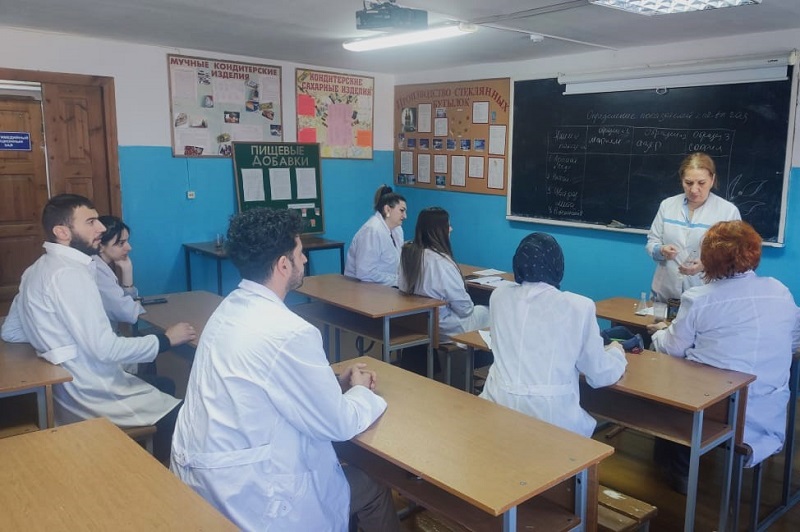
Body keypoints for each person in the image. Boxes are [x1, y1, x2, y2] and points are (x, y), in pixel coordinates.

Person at [170, 207, 399, 532]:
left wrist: (333, 381)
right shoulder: (290, 331)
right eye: (300, 252)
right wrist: (361, 390)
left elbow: (268, 382)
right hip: (254, 498)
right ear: (283, 265)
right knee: (373, 484)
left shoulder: (228, 309)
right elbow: (340, 423)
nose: (304, 259)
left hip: (209, 481)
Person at [0, 194, 196, 463]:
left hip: (68, 388)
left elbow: (11, 332)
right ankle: (159, 477)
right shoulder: (70, 275)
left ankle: (148, 462)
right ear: (62, 232)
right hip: (94, 393)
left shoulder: (37, 268)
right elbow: (105, 349)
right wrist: (165, 340)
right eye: (91, 222)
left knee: (162, 387)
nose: (101, 228)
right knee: (189, 419)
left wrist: (50, 342)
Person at [647, 220, 800, 493]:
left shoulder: (699, 298)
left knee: (667, 377)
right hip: (767, 407)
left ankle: (677, 469)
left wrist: (659, 333)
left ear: (708, 259)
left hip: (718, 410)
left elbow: (672, 348)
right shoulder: (779, 290)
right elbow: (794, 340)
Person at [480, 233, 627, 437]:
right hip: (549, 417)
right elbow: (598, 373)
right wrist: (617, 354)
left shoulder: (499, 295)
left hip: (497, 404)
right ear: (557, 265)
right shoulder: (578, 306)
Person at [646, 152, 741, 302]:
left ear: (712, 180)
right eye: (688, 183)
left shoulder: (728, 211)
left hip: (706, 295)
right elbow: (652, 242)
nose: (694, 190)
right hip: (666, 291)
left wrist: (706, 265)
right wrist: (661, 250)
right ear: (681, 180)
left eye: (701, 183)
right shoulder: (668, 205)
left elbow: (735, 256)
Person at [399, 207, 489, 341]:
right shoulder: (442, 263)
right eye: (448, 225)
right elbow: (465, 309)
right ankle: (480, 353)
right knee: (490, 311)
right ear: (438, 231)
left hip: (417, 323)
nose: (451, 229)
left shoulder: (408, 254)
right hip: (445, 327)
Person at [344, 185, 407, 286]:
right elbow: (365, 273)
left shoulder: (397, 229)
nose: (405, 216)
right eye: (402, 210)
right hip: (362, 288)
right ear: (387, 209)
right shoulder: (372, 231)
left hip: (386, 286)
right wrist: (398, 281)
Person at [93, 215, 145, 331]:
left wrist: (127, 270)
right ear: (100, 246)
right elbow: (128, 313)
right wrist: (136, 303)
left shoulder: (100, 265)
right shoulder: (97, 272)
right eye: (121, 243)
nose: (129, 248)